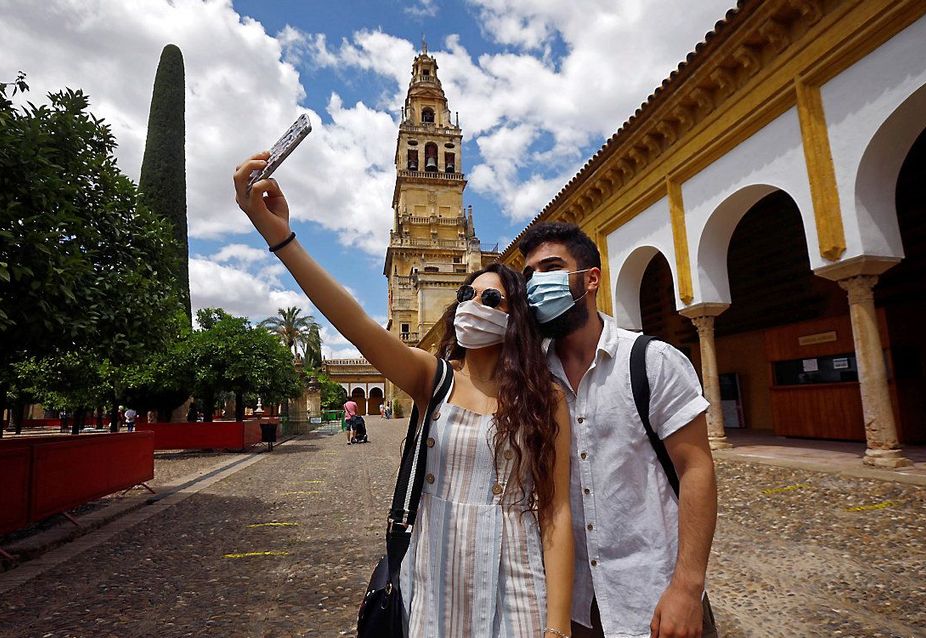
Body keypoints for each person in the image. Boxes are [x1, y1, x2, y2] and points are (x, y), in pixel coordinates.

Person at [234, 154, 574, 638]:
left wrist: (558, 628)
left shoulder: (546, 399)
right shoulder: (432, 379)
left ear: (516, 314)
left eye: (490, 299)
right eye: (465, 296)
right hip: (431, 582)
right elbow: (353, 322)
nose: (472, 306)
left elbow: (555, 512)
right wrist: (279, 236)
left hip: (517, 585)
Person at [519, 222, 718, 638]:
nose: (538, 283)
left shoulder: (653, 362)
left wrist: (686, 586)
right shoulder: (531, 378)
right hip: (571, 606)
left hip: (652, 598)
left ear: (591, 279)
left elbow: (695, 469)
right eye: (530, 274)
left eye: (551, 267)